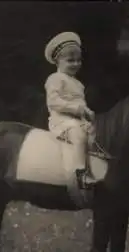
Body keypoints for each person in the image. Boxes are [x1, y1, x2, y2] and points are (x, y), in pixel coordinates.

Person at [44, 31, 99, 193]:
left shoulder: (78, 84)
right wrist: (78, 109)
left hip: (77, 121)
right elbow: (54, 102)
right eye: (70, 60)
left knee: (97, 135)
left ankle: (98, 170)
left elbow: (81, 104)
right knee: (78, 135)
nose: (75, 64)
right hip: (61, 121)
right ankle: (80, 174)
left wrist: (87, 115)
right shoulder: (55, 79)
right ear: (57, 61)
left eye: (78, 60)